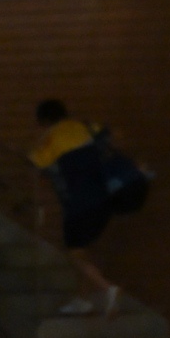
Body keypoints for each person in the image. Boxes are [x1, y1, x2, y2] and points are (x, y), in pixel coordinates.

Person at [28, 99, 121, 316]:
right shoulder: (84, 126)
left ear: (45, 121)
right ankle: (83, 299)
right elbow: (107, 134)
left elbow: (35, 162)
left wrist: (36, 143)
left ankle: (107, 288)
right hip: (105, 198)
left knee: (74, 254)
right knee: (83, 250)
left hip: (80, 202)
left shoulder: (52, 136)